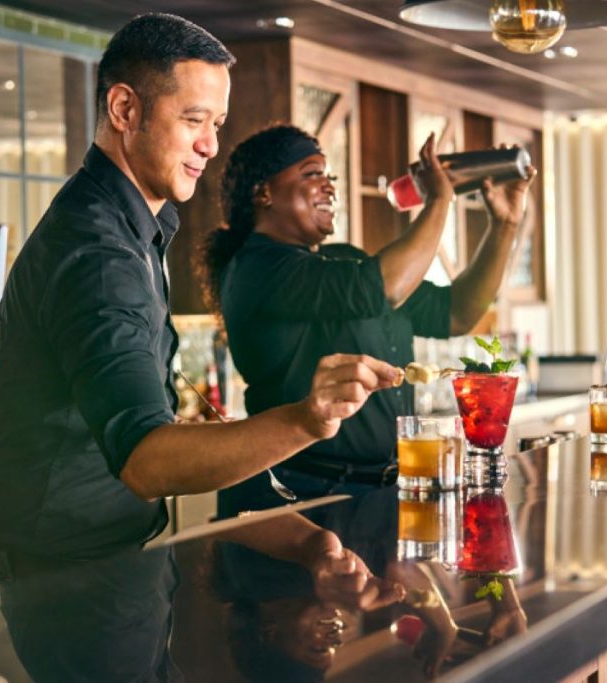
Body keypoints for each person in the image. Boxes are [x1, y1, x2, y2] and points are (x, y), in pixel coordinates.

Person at [0, 15, 398, 683]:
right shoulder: (99, 252)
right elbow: (146, 460)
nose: (209, 144)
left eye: (217, 124)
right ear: (124, 109)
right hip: (69, 586)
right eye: (194, 119)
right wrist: (307, 420)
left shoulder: (136, 229)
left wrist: (308, 539)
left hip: (107, 572)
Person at [200, 125, 536, 517]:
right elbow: (383, 288)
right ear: (264, 193)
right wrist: (438, 200)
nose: (329, 186)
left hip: (380, 492)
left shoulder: (346, 262)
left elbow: (457, 312)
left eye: (330, 175)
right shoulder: (256, 269)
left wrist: (504, 225)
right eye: (313, 174)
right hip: (302, 498)